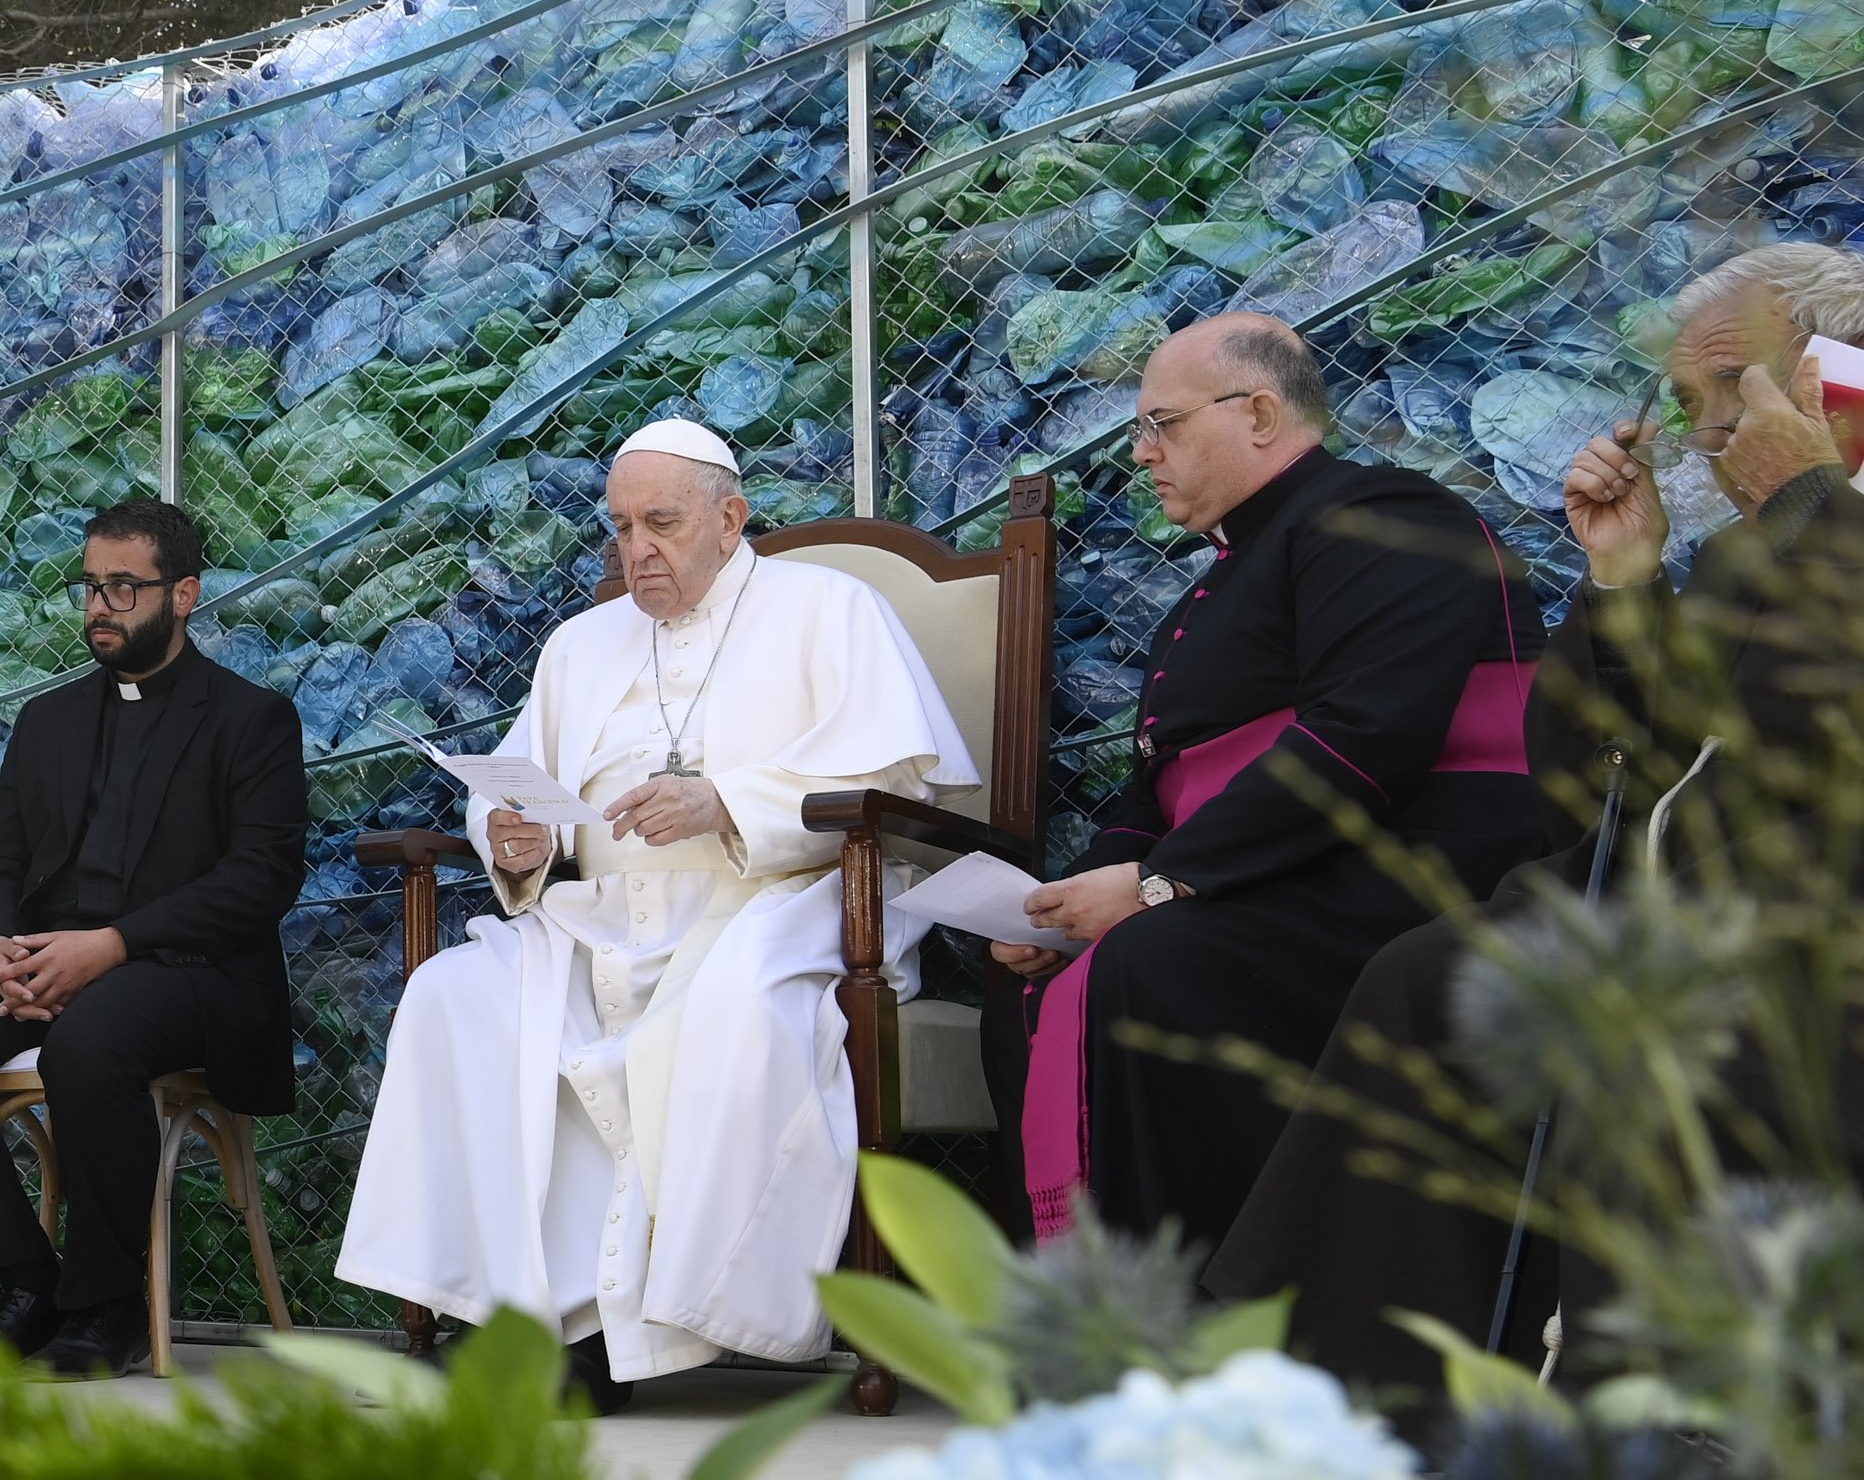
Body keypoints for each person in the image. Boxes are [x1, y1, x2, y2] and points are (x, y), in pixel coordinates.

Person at [1207, 244, 1864, 1416]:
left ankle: (1676, 1416)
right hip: (1693, 897)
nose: (1708, 431)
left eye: (1731, 388)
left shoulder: (1812, 525)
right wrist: (1624, 583)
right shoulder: (1751, 551)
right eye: (1691, 398)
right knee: (1434, 980)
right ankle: (1361, 1388)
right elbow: (1616, 788)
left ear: (1833, 375)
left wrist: (1817, 501)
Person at [334, 421, 977, 1407]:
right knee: (454, 997)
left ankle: (640, 1332)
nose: (638, 549)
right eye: (623, 526)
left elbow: (895, 781)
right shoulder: (582, 644)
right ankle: (518, 1321)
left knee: (703, 1024)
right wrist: (518, 841)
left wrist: (729, 802)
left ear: (731, 517)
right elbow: (521, 788)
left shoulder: (828, 609)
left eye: (662, 523)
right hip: (602, 918)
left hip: (773, 904)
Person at [984, 314, 1549, 1253]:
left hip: (1411, 865)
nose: (1140, 451)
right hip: (1273, 871)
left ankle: (1216, 1297)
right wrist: (1070, 904)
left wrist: (1160, 885)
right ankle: (1082, 1309)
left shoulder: (1389, 514)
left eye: (1161, 423)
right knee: (1028, 992)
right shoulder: (1212, 586)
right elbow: (1156, 790)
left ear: (1257, 412)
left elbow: (1366, 738)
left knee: (1150, 962)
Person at [0, 496, 308, 1379]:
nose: (100, 606)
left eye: (123, 587)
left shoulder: (250, 720)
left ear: (183, 594)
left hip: (184, 974)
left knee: (91, 1043)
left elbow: (260, 880)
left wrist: (110, 947)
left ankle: (107, 1308)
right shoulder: (48, 722)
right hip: (39, 964)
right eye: (91, 586)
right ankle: (29, 1282)